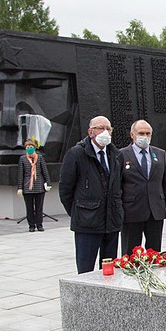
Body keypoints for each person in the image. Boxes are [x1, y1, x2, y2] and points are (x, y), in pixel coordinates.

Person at [59, 116, 124, 273]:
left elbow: (119, 187)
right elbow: (65, 190)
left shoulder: (116, 155)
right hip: (87, 224)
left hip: (111, 222)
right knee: (85, 271)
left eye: (109, 129)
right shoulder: (76, 154)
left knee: (109, 271)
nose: (106, 132)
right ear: (90, 132)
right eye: (101, 128)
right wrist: (79, 212)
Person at [120, 119, 166, 253]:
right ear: (132, 134)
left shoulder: (160, 154)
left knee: (154, 252)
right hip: (131, 211)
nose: (145, 137)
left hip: (155, 211)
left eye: (148, 134)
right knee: (130, 252)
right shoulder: (121, 155)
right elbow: (117, 186)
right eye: (141, 133)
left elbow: (165, 183)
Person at [17, 139, 51, 232]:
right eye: (27, 147)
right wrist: (20, 187)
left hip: (39, 185)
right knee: (29, 207)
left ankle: (39, 224)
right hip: (28, 187)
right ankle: (31, 225)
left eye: (31, 147)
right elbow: (20, 174)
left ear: (34, 148)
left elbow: (45, 171)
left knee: (39, 206)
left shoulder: (39, 158)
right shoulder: (23, 159)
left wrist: (48, 183)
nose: (29, 149)